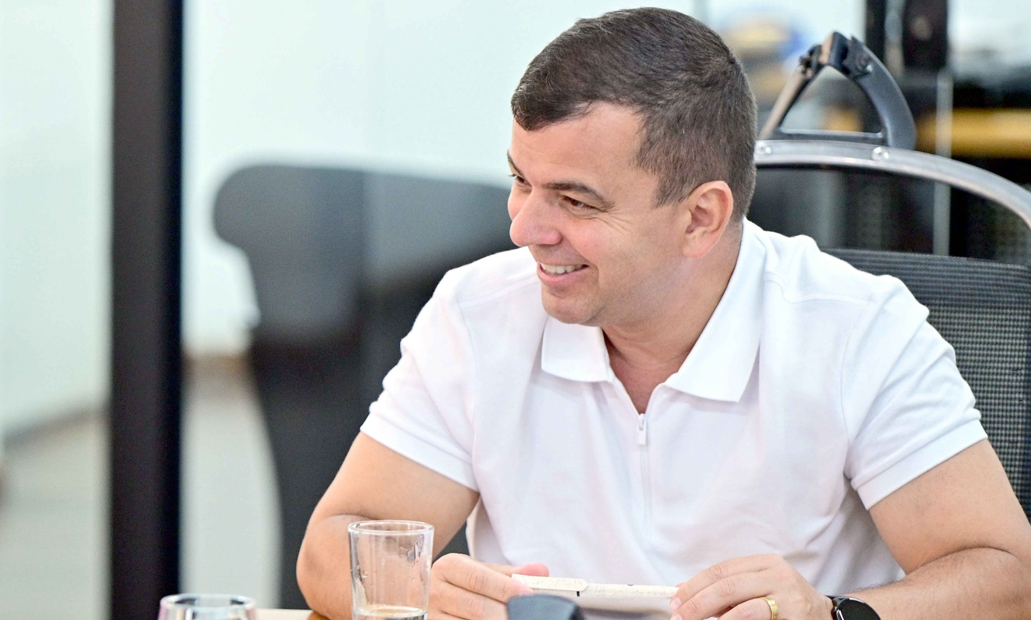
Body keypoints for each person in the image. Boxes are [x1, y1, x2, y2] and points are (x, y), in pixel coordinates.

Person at [297, 8, 1031, 620]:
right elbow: (333, 546)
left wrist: (832, 614)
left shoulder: (856, 330)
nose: (525, 228)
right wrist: (417, 591)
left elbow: (1007, 576)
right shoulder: (476, 312)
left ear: (700, 217)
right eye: (521, 181)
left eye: (574, 200)